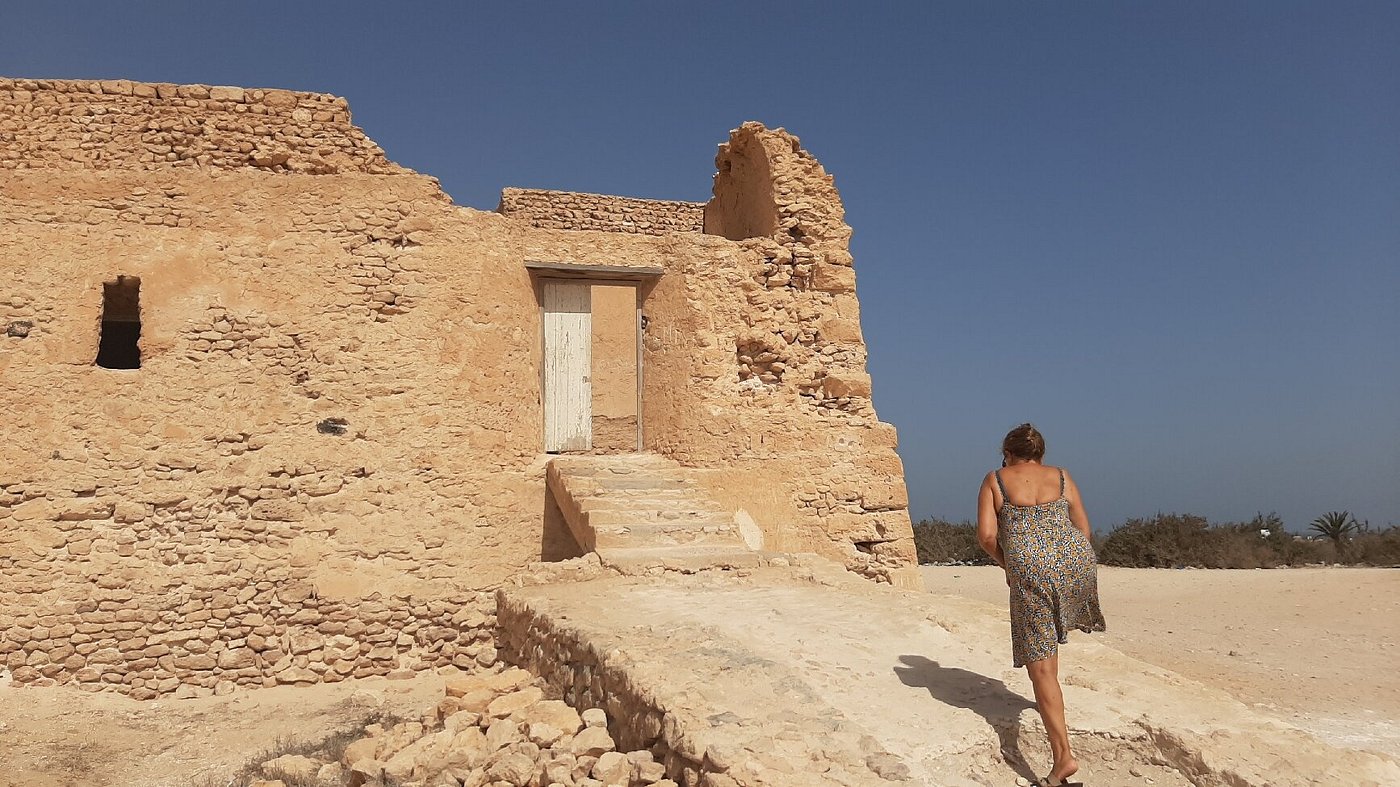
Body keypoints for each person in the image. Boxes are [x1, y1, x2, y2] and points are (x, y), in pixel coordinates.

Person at [977, 423, 1105, 787]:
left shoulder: (995, 479)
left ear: (1007, 453)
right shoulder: (1061, 476)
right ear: (1041, 455)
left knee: (1042, 669)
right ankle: (1062, 621)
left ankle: (1063, 758)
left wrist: (1011, 563)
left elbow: (987, 536)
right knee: (1052, 635)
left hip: (1031, 571)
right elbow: (1083, 527)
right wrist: (1063, 557)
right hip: (1075, 562)